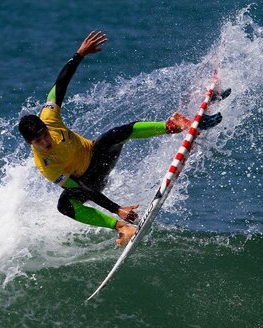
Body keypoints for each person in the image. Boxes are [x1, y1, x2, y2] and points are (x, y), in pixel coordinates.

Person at [19, 31, 223, 246]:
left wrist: (79, 54)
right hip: (90, 181)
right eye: (38, 141)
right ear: (29, 143)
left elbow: (60, 85)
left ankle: (172, 125)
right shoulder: (46, 165)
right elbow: (81, 188)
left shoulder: (49, 117)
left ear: (45, 126)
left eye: (44, 135)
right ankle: (122, 228)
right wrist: (117, 210)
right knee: (65, 206)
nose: (45, 141)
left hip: (99, 154)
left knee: (114, 134)